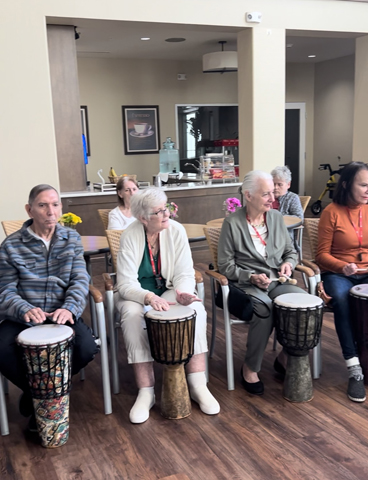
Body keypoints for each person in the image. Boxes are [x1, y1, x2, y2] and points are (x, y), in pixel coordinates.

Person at [114, 187, 220, 423]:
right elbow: (125, 283)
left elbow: (184, 271)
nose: (166, 214)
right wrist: (149, 298)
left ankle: (197, 383)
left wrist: (182, 292)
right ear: (142, 218)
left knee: (196, 310)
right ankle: (146, 392)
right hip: (138, 294)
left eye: (167, 208)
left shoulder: (176, 231)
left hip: (170, 289)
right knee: (132, 316)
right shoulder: (129, 235)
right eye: (159, 212)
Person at [0, 184, 98, 432]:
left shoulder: (72, 239)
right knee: (1, 349)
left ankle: (40, 395)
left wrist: (69, 308)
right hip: (22, 317)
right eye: (43, 205)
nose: (50, 211)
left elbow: (79, 279)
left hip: (60, 315)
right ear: (29, 209)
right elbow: (5, 290)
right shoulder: (11, 245)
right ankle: (40, 395)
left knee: (87, 347)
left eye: (55, 205)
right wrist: (22, 308)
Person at [218, 170, 307, 396]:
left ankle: (285, 356)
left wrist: (288, 262)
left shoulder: (276, 218)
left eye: (273, 193)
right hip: (247, 284)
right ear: (248, 196)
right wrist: (251, 277)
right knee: (265, 307)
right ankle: (250, 367)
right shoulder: (232, 223)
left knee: (301, 304)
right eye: (266, 194)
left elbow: (290, 251)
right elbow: (226, 267)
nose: (272, 198)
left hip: (277, 279)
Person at [316, 161, 368, 403]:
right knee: (342, 299)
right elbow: (321, 255)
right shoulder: (331, 212)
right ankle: (354, 367)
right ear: (346, 185)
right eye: (364, 185)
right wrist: (342, 266)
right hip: (338, 273)